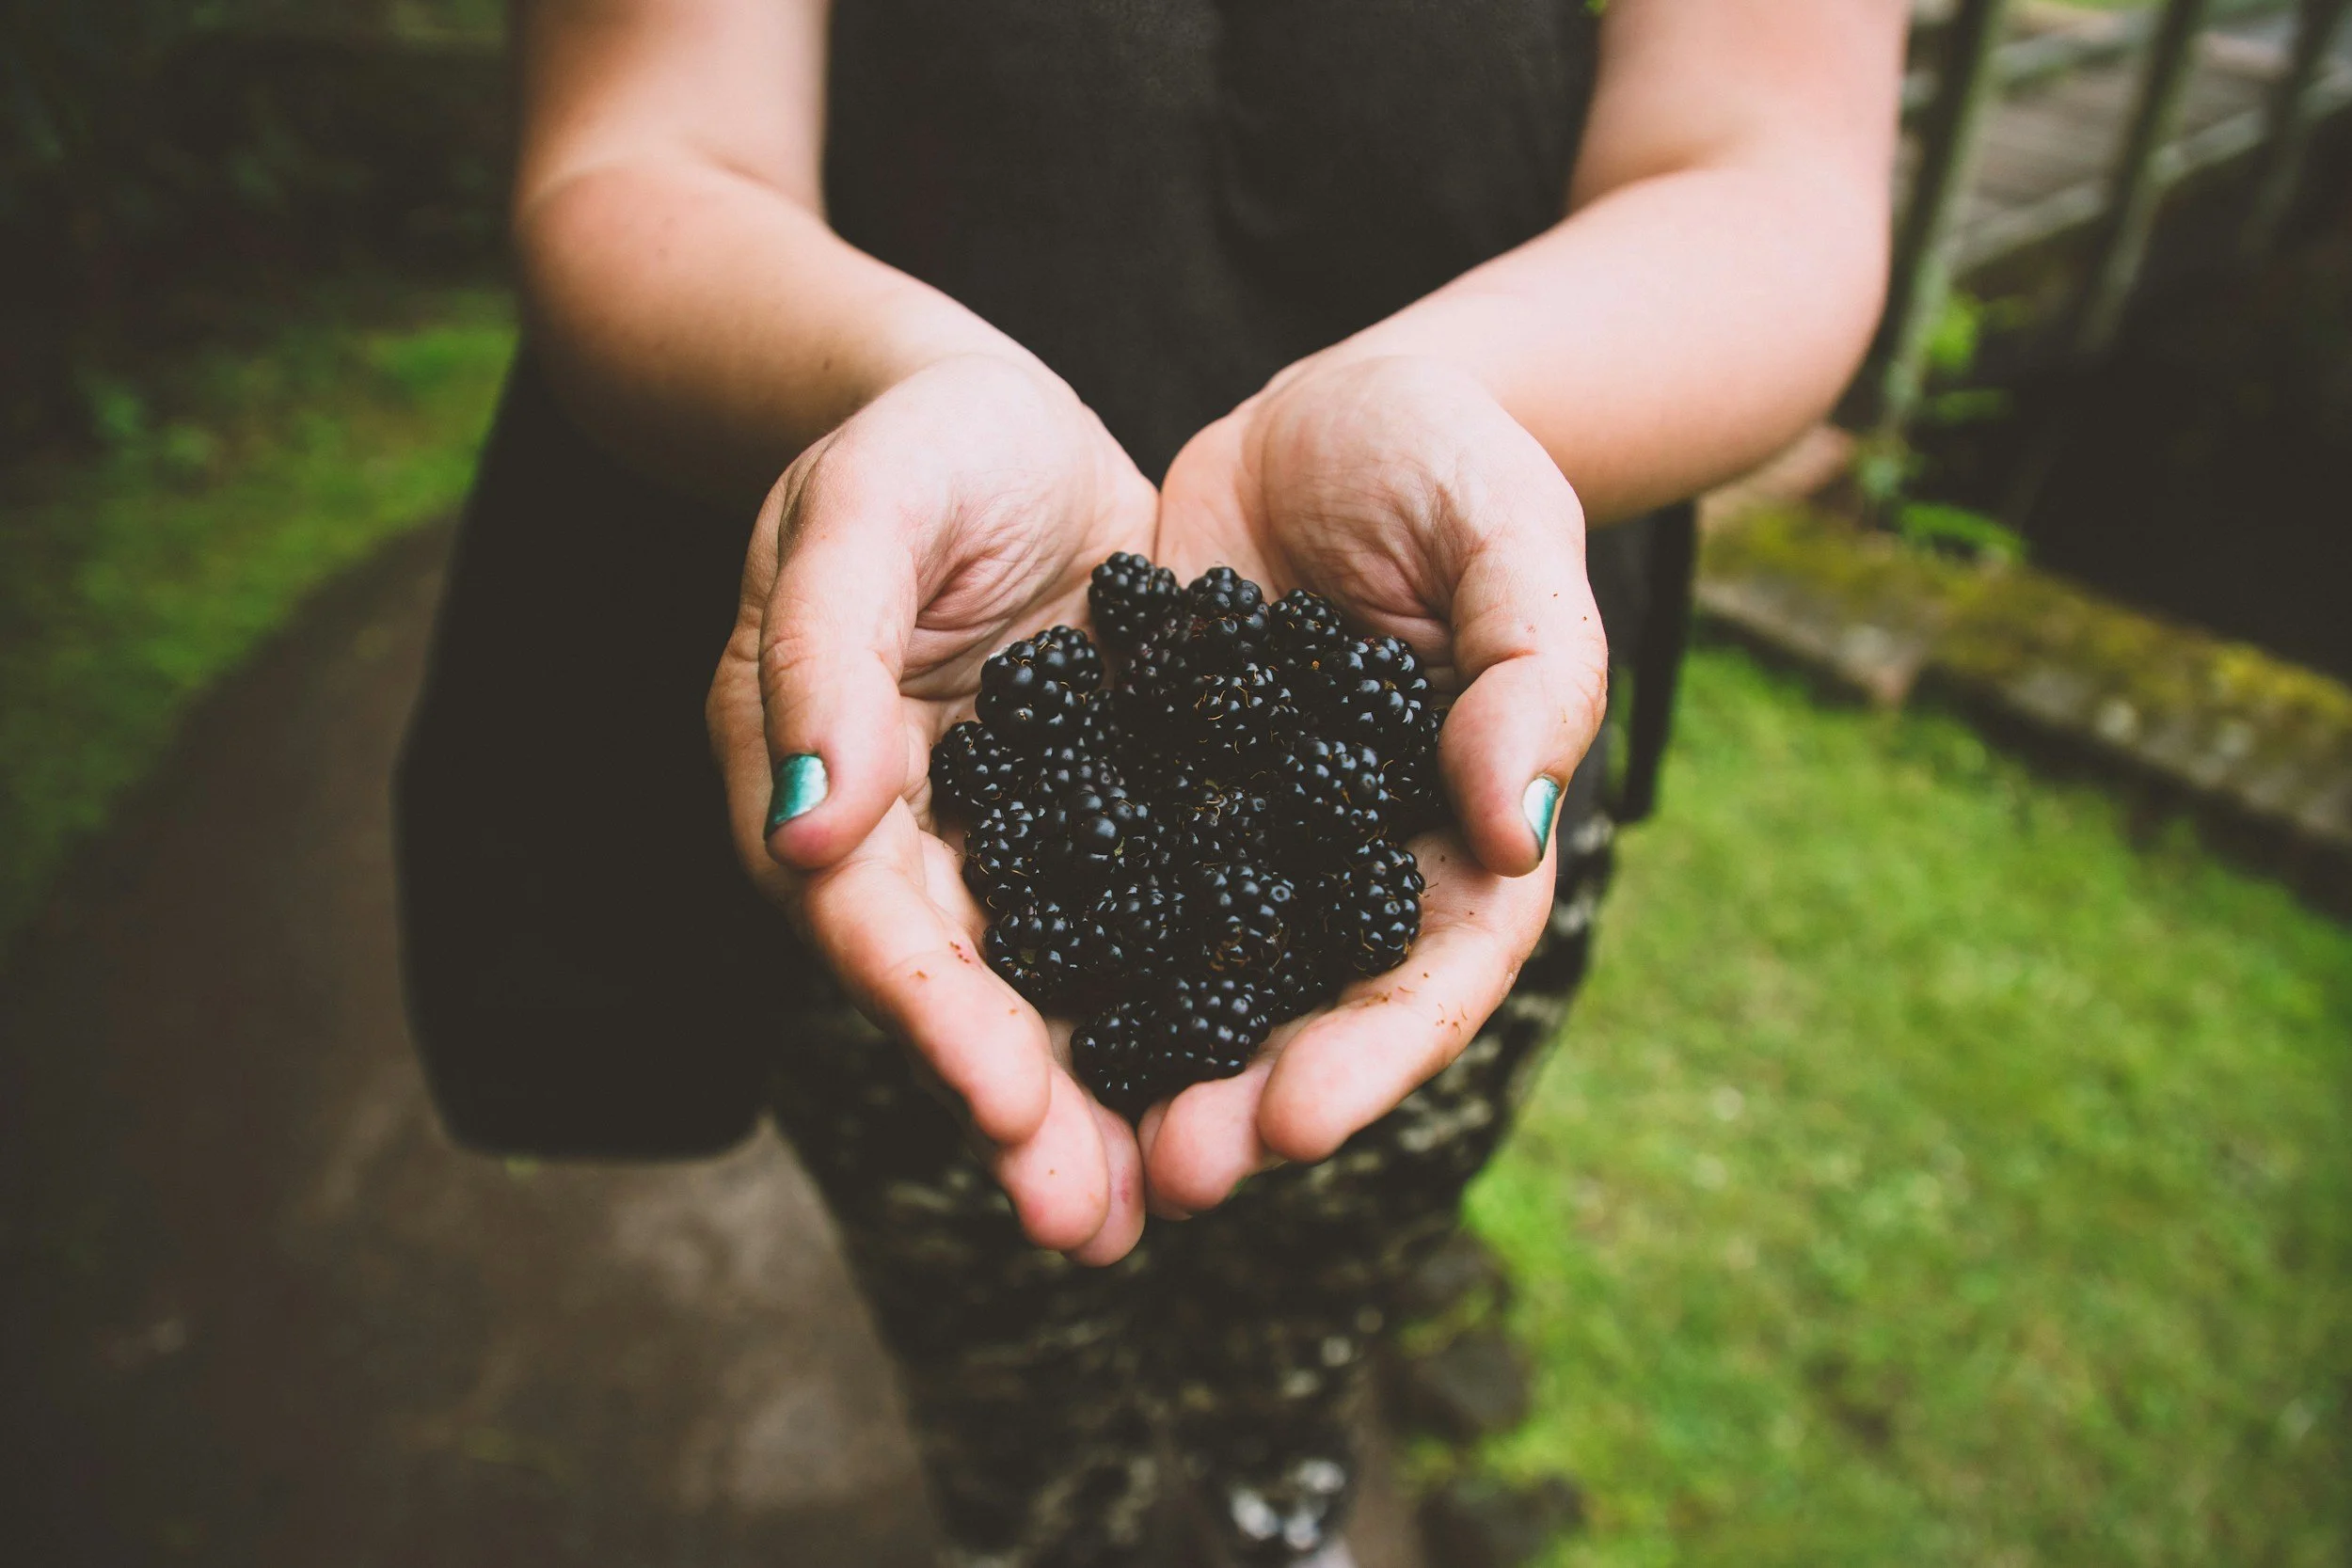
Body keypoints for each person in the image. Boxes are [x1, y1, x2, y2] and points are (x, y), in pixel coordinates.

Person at [394, 1, 1905, 1561]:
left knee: (1328, 1257)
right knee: (991, 1311)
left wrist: (1454, 396)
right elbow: (636, 156)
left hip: (1447, 711)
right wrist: (899, 387)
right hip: (899, 709)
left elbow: (1774, 167)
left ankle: (1280, 1486)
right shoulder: (1025, 767)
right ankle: (1049, 1523)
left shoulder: (1321, 777)